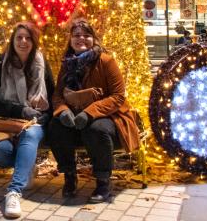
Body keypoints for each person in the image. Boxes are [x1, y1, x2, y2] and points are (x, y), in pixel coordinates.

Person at [48, 19, 139, 204]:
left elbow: (118, 97)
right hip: (75, 115)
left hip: (109, 116)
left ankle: (103, 182)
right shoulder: (67, 64)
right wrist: (63, 111)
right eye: (76, 35)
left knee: (96, 128)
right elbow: (58, 95)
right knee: (55, 126)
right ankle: (70, 176)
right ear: (71, 39)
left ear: (94, 38)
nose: (81, 39)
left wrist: (89, 112)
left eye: (86, 35)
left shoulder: (106, 61)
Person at [0, 22, 55, 218]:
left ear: (34, 42)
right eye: (19, 37)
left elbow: (54, 97)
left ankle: (14, 192)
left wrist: (44, 113)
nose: (23, 41)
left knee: (30, 134)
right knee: (0, 153)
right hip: (7, 120)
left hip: (34, 123)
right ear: (13, 40)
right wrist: (22, 110)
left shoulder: (42, 64)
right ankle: (26, 163)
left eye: (28, 38)